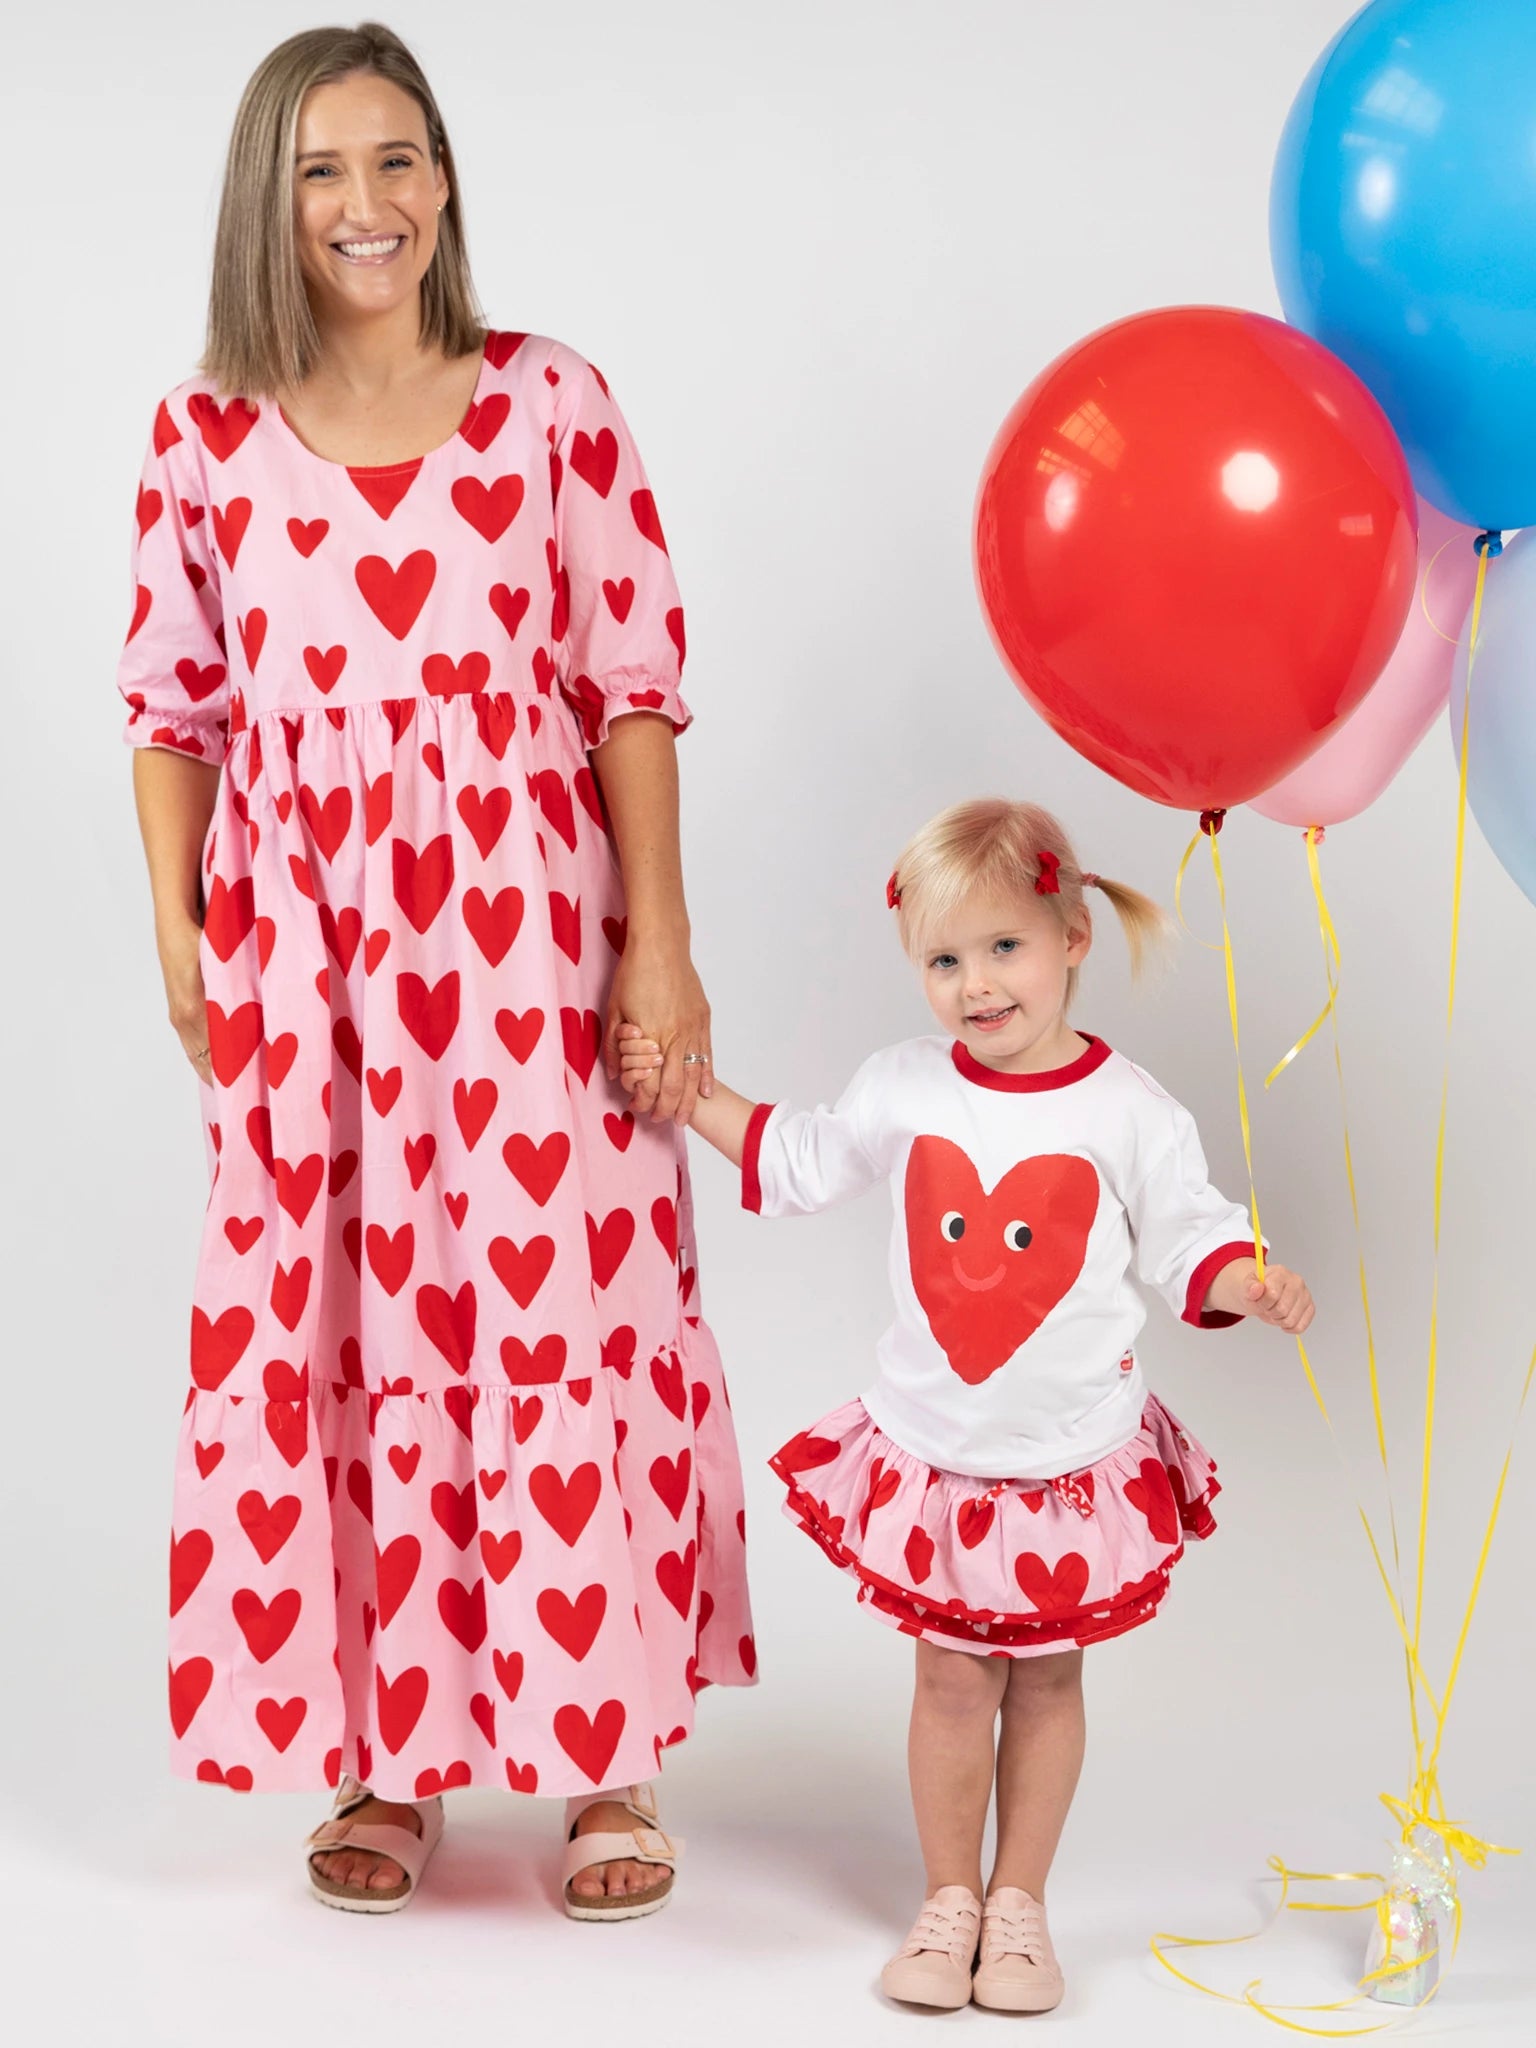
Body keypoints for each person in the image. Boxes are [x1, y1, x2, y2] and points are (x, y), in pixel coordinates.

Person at [119, 21, 754, 1919]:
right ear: (269, 197)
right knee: (338, 1309)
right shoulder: (200, 433)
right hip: (310, 960)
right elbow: (173, 707)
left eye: (396, 161)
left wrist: (664, 938)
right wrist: (181, 930)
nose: (364, 204)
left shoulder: (551, 403)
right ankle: (382, 1750)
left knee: (554, 1294)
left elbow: (628, 684)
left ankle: (601, 1749)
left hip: (525, 945)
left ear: (446, 180)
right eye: (321, 170)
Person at [619, 796, 1313, 2009]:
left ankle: (1020, 1902)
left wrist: (1243, 1277)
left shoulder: (1129, 1109)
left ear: (1072, 938)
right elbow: (800, 1153)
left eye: (1005, 949)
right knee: (950, 1675)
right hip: (941, 1457)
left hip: (1069, 1459)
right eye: (946, 959)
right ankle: (947, 1901)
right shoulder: (902, 1086)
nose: (978, 984)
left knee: (1047, 1678)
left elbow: (1187, 1228)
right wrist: (693, 1091)